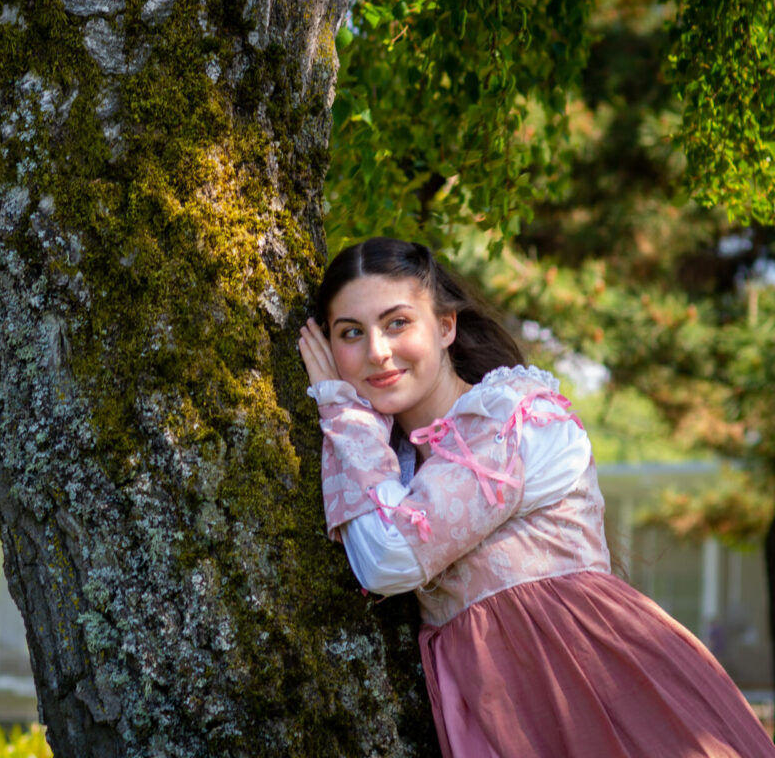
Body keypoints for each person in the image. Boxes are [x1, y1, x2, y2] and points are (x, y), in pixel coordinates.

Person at [297, 237, 774, 757]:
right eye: (351, 333)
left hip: (590, 685)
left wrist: (341, 411)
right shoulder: (397, 461)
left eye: (397, 323)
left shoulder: (511, 421)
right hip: (498, 705)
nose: (377, 351)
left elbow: (387, 559)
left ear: (446, 327)